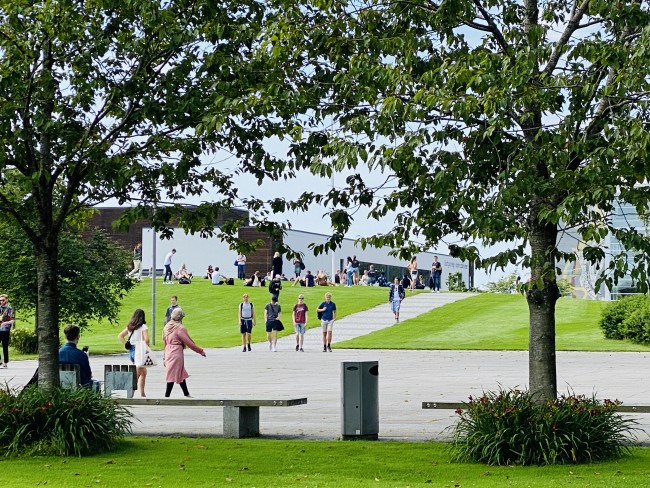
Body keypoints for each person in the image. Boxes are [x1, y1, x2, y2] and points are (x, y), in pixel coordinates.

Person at [163, 308, 206, 397]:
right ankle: (166, 396)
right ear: (181, 317)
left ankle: (186, 393)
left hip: (168, 351)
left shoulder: (166, 327)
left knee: (180, 372)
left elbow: (165, 342)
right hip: (176, 352)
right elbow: (189, 343)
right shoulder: (180, 328)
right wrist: (200, 351)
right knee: (172, 373)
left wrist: (164, 357)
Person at [118, 309, 150, 397]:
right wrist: (146, 348)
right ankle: (130, 394)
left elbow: (120, 336)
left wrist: (126, 344)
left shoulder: (130, 326)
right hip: (139, 351)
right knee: (137, 374)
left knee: (143, 372)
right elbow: (147, 339)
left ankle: (142, 393)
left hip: (131, 351)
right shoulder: (143, 326)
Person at [0, 294, 15, 368]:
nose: (1, 302)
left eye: (3, 300)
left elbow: (13, 320)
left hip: (5, 330)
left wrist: (6, 323)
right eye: (0, 300)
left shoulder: (9, 309)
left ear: (6, 300)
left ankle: (5, 362)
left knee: (5, 346)